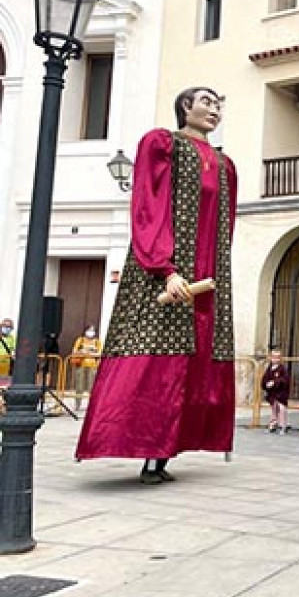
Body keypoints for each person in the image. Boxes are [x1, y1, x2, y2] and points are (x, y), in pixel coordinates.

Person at [75, 86, 237, 485]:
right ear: (185, 107)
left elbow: (225, 224)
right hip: (163, 268)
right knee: (156, 361)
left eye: (218, 105)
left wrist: (213, 274)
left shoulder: (224, 164)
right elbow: (149, 205)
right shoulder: (162, 143)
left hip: (205, 276)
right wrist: (164, 267)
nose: (214, 110)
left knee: (195, 361)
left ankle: (164, 455)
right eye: (206, 102)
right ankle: (148, 449)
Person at [71, 324, 102, 406]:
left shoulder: (97, 342)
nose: (91, 332)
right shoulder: (80, 340)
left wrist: (91, 353)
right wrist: (82, 352)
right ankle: (77, 404)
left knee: (91, 386)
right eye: (89, 330)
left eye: (93, 330)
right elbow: (74, 351)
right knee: (79, 386)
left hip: (92, 366)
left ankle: (92, 405)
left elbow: (99, 353)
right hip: (81, 365)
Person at [261, 347, 290, 434]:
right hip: (272, 393)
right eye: (273, 357)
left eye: (277, 357)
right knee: (274, 409)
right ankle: (273, 424)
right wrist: (266, 384)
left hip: (281, 393)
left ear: (280, 358)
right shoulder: (269, 369)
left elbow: (285, 380)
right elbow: (265, 379)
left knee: (281, 409)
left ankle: (283, 426)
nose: (275, 359)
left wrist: (275, 382)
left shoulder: (282, 369)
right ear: (270, 357)